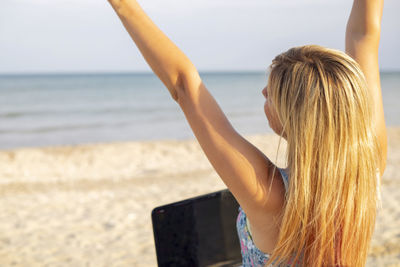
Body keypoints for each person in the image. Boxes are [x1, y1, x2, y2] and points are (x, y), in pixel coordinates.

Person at [107, 0, 387, 266]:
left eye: (273, 94)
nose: (263, 92)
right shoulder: (369, 164)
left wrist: (121, 5)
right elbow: (364, 36)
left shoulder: (271, 195)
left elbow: (183, 85)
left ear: (297, 119)